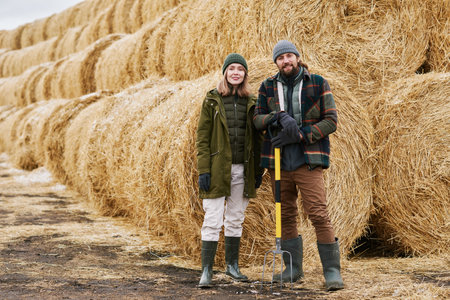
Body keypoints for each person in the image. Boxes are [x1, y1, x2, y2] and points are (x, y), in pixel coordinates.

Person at [253, 40, 344, 291]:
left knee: (318, 212)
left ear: (297, 57)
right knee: (285, 214)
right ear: (276, 62)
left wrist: (301, 134)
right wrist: (276, 116)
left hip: (307, 161)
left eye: (289, 56)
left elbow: (331, 121)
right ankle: (292, 269)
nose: (286, 61)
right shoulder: (267, 87)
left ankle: (332, 270)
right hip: (279, 163)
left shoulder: (317, 82)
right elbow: (257, 119)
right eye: (281, 58)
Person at [196, 53, 264, 288]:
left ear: (245, 74)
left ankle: (232, 266)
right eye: (232, 68)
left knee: (235, 219)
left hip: (242, 170)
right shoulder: (212, 100)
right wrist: (203, 170)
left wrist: (257, 171)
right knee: (213, 219)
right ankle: (206, 271)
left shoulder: (252, 102)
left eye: (240, 69)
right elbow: (202, 139)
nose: (236, 72)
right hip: (217, 169)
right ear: (225, 72)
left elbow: (258, 140)